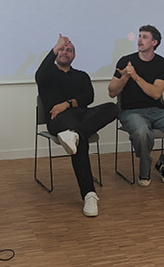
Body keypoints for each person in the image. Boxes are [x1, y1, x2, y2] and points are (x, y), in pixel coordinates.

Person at [35, 35, 118, 216]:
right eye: (62, 49)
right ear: (56, 53)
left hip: (81, 116)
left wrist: (66, 103)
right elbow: (39, 75)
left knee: (112, 108)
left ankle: (74, 133)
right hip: (58, 119)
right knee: (81, 142)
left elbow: (89, 97)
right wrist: (54, 47)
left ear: (74, 56)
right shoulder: (48, 75)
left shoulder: (81, 75)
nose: (65, 52)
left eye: (69, 50)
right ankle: (89, 194)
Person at [108, 25, 164, 186]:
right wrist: (125, 78)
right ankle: (144, 168)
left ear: (154, 42)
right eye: (139, 36)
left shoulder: (161, 63)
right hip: (131, 112)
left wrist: (135, 76)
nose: (139, 40)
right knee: (142, 133)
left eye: (145, 37)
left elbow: (156, 93)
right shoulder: (125, 61)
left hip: (156, 111)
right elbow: (112, 92)